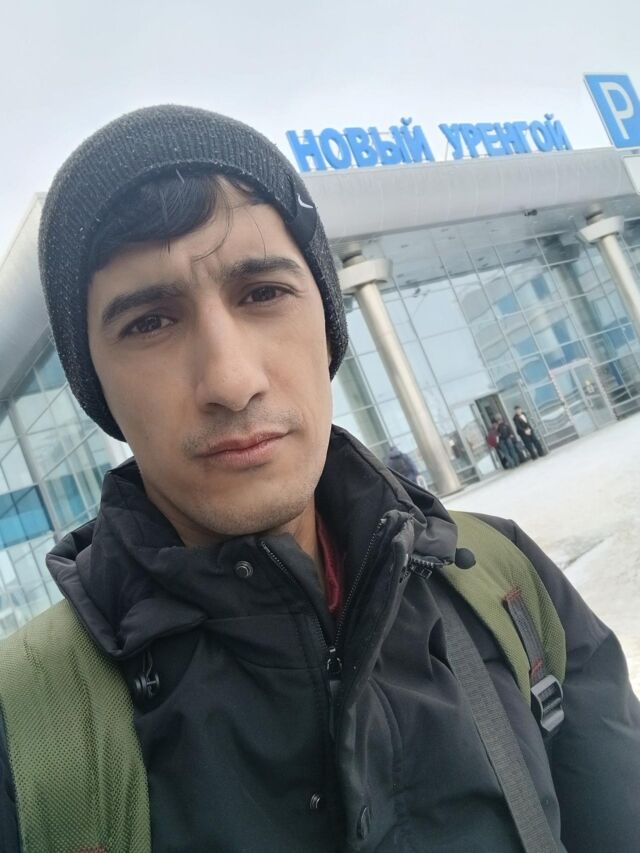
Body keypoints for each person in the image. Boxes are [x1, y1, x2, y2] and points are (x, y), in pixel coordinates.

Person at [1, 105, 639, 852]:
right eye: (149, 322)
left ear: (328, 324)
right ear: (97, 388)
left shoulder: (506, 585)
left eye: (262, 293)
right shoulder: (27, 737)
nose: (232, 381)